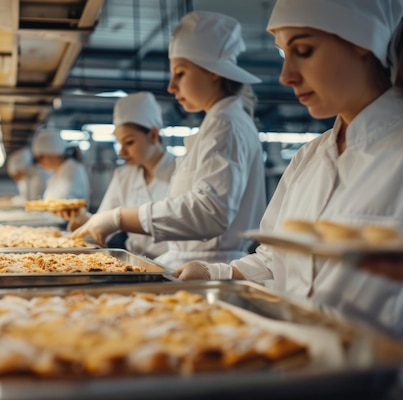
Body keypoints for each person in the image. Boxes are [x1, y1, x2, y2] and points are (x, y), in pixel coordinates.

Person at [175, 1, 403, 400]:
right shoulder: (310, 157)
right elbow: (274, 261)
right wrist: (213, 273)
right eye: (285, 54)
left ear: (362, 43)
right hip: (299, 389)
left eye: (303, 50)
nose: (286, 76)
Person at [71, 11, 266, 269]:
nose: (171, 87)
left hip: (208, 270)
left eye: (180, 73)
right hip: (188, 265)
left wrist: (119, 217)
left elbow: (208, 212)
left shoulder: (226, 123)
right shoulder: (219, 122)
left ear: (213, 72)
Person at [61, 92, 176, 259]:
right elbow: (105, 222)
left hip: (176, 267)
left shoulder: (182, 171)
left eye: (129, 142)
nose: (121, 151)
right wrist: (85, 219)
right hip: (134, 263)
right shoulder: (123, 175)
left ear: (153, 135)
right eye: (119, 143)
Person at [31, 129, 90, 202]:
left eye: (41, 158)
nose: (40, 163)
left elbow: (62, 201)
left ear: (53, 153)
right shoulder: (58, 172)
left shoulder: (72, 170)